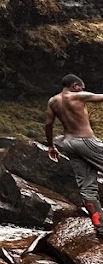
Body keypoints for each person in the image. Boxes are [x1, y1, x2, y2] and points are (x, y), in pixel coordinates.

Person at [46, 73, 103, 239]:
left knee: (87, 187)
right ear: (75, 85)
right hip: (86, 141)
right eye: (81, 87)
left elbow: (48, 124)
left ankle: (100, 227)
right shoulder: (77, 96)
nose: (83, 90)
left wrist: (51, 145)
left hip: (69, 144)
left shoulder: (53, 101)